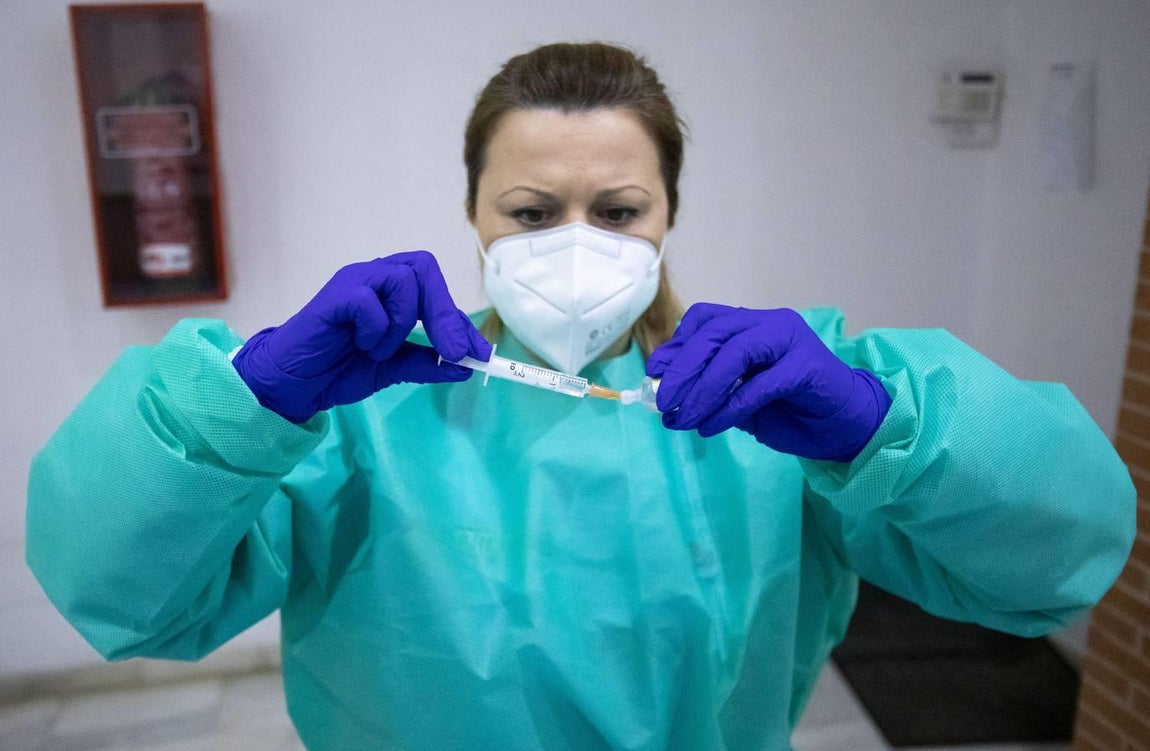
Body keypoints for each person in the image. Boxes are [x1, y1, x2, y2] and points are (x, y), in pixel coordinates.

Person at [28, 42, 1134, 750]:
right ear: (472, 216)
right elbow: (120, 593)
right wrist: (241, 403)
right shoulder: (358, 413)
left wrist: (889, 428)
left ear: (668, 216)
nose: (574, 244)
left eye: (616, 211)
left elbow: (1051, 563)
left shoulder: (782, 409)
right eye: (529, 209)